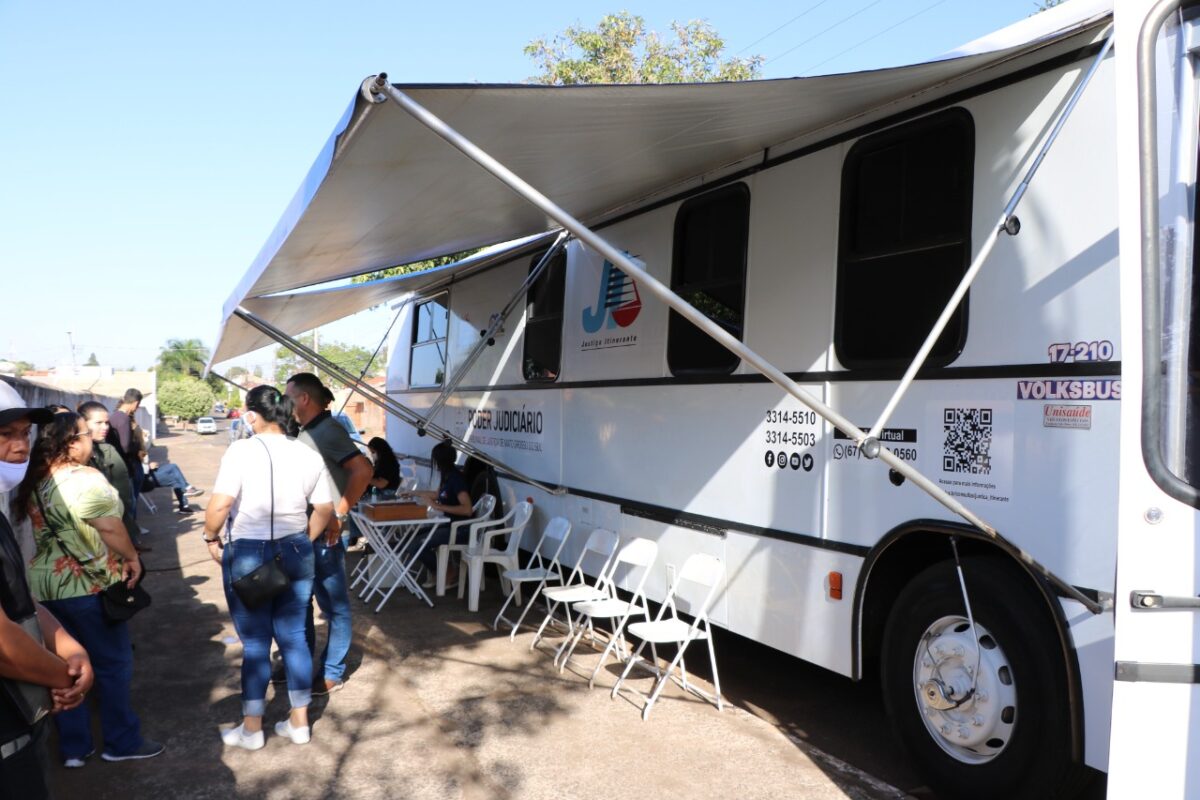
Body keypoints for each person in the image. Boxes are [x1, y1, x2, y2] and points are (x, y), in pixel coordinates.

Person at [13, 412, 162, 766]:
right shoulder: (85, 478)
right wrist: (132, 557)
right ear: (70, 443)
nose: (92, 440)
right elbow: (109, 527)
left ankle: (75, 748)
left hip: (46, 589)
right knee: (113, 664)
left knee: (64, 669)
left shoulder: (37, 479)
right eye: (85, 434)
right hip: (89, 585)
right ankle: (121, 742)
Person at [202, 386, 334, 750]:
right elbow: (324, 508)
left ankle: (252, 729)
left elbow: (220, 505)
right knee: (295, 639)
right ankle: (299, 723)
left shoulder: (241, 451)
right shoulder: (308, 453)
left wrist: (210, 537)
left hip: (249, 552)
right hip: (296, 549)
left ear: (251, 415)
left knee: (257, 644)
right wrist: (303, 539)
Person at [0, 385, 94, 797]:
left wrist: (68, 646)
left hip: (20, 727)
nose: (21, 445)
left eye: (24, 433)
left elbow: (17, 597)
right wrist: (63, 678)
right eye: (5, 434)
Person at [284, 373, 372, 695]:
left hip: (328, 536)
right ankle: (301, 665)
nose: (284, 403)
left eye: (288, 396)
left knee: (335, 608)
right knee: (301, 605)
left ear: (304, 398)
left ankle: (332, 671)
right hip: (306, 533)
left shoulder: (328, 430)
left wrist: (340, 512)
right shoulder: (308, 431)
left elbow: (363, 470)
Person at [76, 402, 147, 552]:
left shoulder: (107, 450)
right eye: (98, 423)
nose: (105, 427)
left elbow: (124, 496)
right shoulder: (70, 455)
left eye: (106, 423)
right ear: (82, 423)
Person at [410, 440, 474, 585]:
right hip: (449, 524)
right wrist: (413, 493)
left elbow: (467, 509)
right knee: (413, 536)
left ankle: (448, 571)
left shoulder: (456, 479)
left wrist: (437, 506)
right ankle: (440, 570)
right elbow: (437, 495)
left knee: (417, 545)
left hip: (461, 529)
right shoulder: (447, 476)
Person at [105, 389, 145, 515]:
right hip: (126, 466)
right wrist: (137, 448)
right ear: (135, 403)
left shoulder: (114, 416)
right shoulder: (124, 419)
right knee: (130, 503)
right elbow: (125, 446)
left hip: (117, 465)